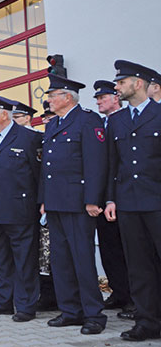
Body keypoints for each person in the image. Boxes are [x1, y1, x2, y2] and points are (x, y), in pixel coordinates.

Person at [39, 74, 108, 335]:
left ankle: (94, 315)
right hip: (56, 203)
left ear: (67, 97)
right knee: (61, 260)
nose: (49, 101)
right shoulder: (53, 124)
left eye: (52, 96)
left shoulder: (88, 120)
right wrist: (44, 199)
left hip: (79, 204)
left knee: (82, 259)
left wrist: (93, 199)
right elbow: (47, 167)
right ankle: (70, 310)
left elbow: (95, 163)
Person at [104, 60, 161, 341]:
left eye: (121, 82)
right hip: (128, 203)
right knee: (138, 266)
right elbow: (113, 164)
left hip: (158, 202)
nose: (117, 88)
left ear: (138, 83)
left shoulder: (160, 114)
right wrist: (111, 199)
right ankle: (147, 322)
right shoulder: (116, 120)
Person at [0, 92, 42, 322]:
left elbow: (38, 175)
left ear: (5, 114)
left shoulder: (28, 138)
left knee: (24, 260)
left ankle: (25, 305)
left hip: (18, 211)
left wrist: (39, 203)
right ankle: (1, 301)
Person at [92, 79, 134, 318]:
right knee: (109, 249)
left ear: (116, 98)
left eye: (103, 97)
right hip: (102, 198)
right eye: (97, 98)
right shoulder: (99, 123)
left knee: (128, 250)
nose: (99, 101)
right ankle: (118, 292)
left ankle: (133, 297)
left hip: (121, 196)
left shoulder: (125, 120)